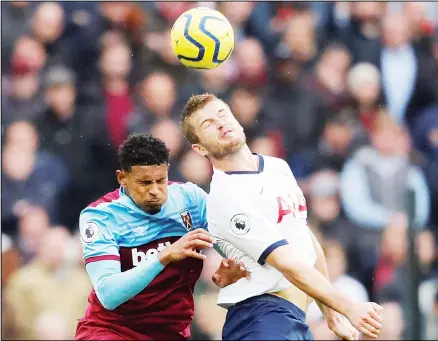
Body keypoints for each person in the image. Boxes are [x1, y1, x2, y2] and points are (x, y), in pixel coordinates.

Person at [180, 93, 384, 341]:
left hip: (294, 319)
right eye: (208, 124)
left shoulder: (277, 167)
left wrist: (332, 315)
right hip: (261, 319)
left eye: (222, 114)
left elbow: (305, 243)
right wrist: (349, 306)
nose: (220, 123)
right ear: (199, 148)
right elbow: (287, 263)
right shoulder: (226, 196)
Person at [74, 133, 248, 340]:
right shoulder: (101, 216)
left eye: (160, 180)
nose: (155, 190)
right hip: (112, 330)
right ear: (123, 178)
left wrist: (234, 270)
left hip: (171, 332)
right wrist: (163, 257)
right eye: (145, 183)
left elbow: (238, 244)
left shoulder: (190, 200)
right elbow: (108, 294)